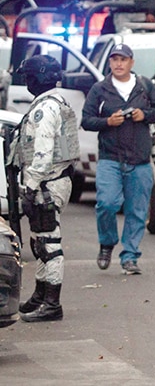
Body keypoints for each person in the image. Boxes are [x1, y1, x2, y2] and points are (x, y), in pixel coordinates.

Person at [81, 44, 155, 276]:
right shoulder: (100, 89)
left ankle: (130, 256)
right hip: (110, 158)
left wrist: (144, 115)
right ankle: (107, 242)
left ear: (131, 62)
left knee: (137, 211)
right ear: (110, 63)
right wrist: (107, 122)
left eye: (123, 59)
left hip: (140, 160)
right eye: (115, 59)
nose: (119, 64)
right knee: (106, 203)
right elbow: (86, 120)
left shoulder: (144, 86)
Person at [11, 56, 80, 322]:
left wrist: (30, 185)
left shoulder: (46, 108)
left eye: (28, 76)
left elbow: (43, 150)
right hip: (52, 181)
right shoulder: (55, 102)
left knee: (49, 244)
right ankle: (40, 296)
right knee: (39, 241)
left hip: (47, 183)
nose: (26, 81)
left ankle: (52, 304)